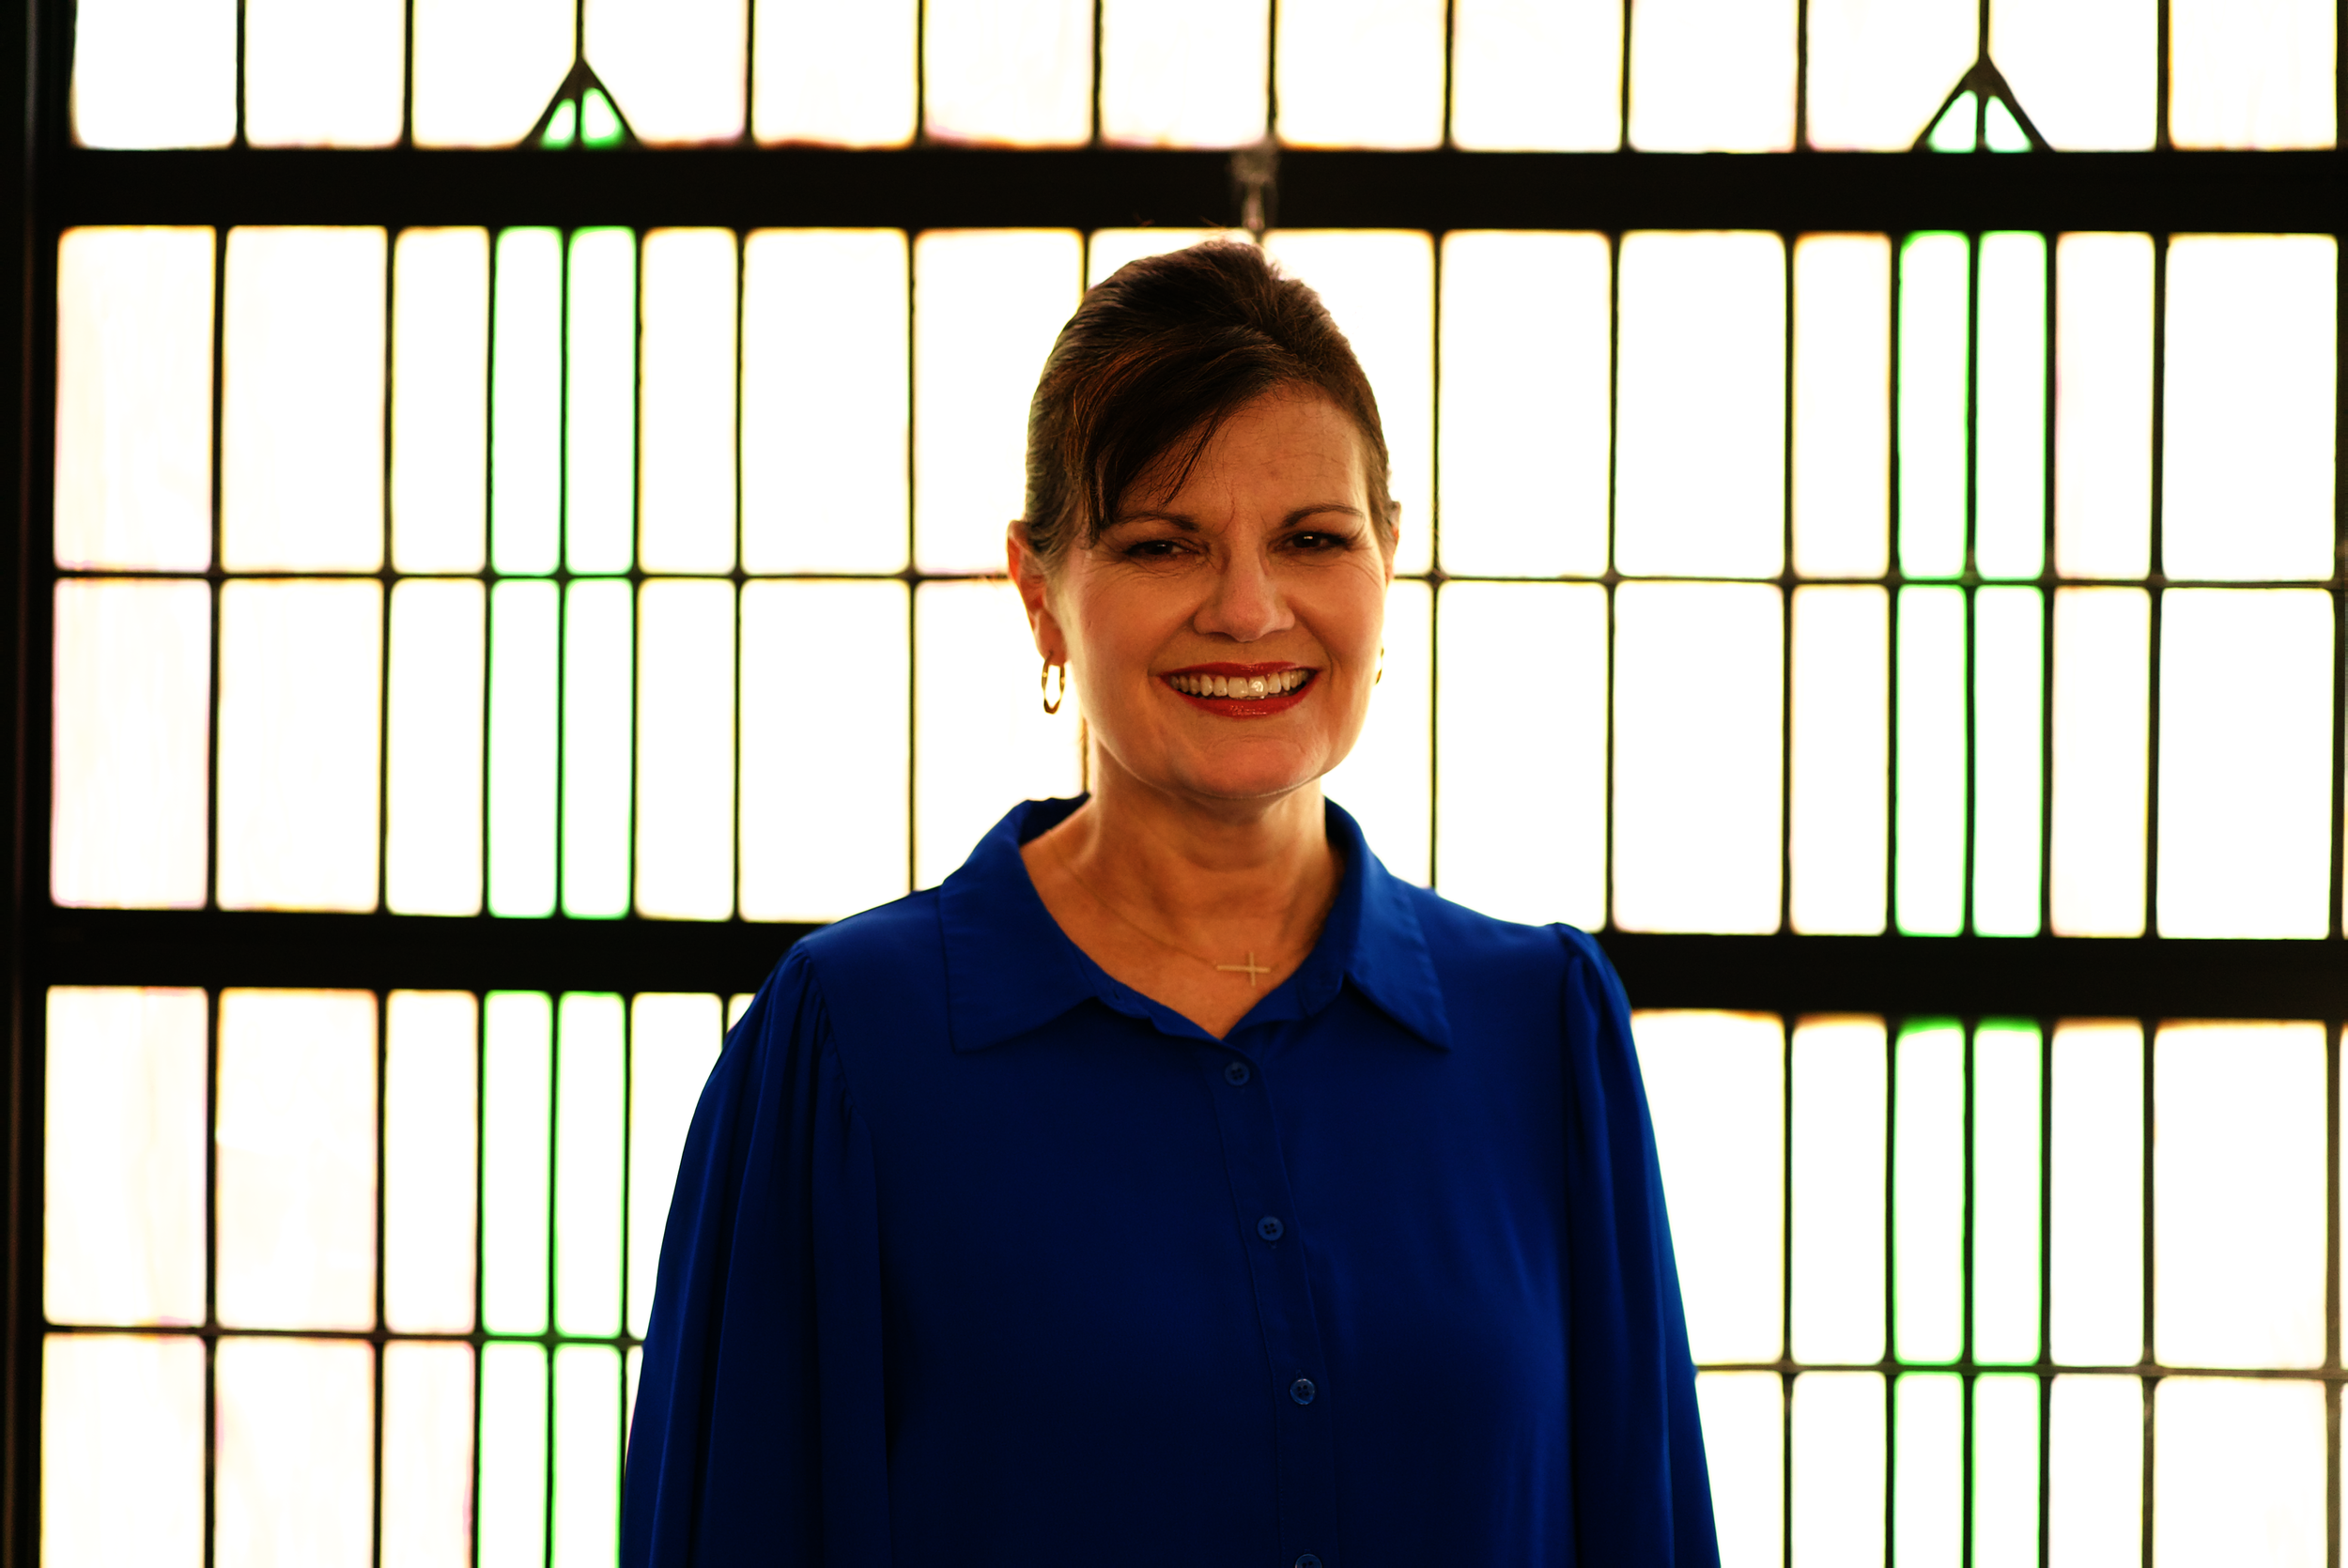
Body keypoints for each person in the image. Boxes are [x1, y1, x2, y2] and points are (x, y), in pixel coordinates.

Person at [622, 240, 1719, 1566]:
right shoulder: (851, 1048)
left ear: (1389, 564)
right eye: (1163, 543)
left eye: (1314, 538)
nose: (1250, 610)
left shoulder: (1545, 1033)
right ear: (1041, 593)